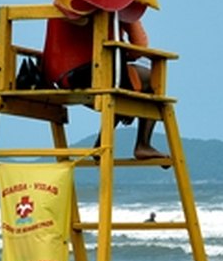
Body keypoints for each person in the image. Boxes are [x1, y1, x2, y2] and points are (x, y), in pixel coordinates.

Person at [41, 15, 168, 160]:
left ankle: (102, 141)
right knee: (152, 80)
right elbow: (139, 47)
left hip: (56, 78)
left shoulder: (62, 2)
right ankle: (143, 144)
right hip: (97, 76)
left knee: (116, 91)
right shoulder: (119, 6)